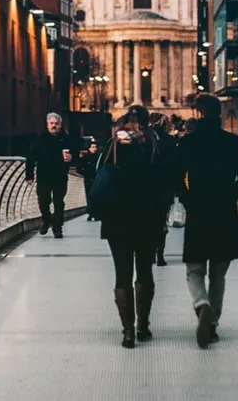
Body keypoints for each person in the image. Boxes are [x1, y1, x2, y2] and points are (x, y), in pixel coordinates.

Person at [174, 93, 238, 348]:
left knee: (194, 270)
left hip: (198, 212)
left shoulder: (188, 143)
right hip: (224, 212)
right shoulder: (232, 142)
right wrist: (232, 194)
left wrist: (188, 199)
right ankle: (212, 325)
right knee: (218, 274)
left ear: (198, 114)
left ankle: (201, 304)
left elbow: (177, 177)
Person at [97, 105, 171, 349]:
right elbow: (166, 182)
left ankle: (127, 331)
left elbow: (98, 176)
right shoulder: (154, 146)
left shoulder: (112, 146)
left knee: (122, 273)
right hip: (147, 218)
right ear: (146, 122)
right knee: (145, 270)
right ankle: (143, 325)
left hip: (117, 218)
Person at [25, 112, 76, 238]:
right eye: (51, 123)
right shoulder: (40, 139)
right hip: (44, 176)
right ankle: (46, 220)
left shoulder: (66, 139)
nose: (54, 126)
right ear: (47, 125)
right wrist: (29, 175)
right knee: (43, 201)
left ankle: (57, 228)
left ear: (60, 125)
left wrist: (71, 158)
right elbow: (31, 157)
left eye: (56, 123)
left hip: (60, 176)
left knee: (59, 203)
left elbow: (75, 154)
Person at [150, 113, 178, 266]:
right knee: (162, 220)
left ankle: (149, 252)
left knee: (148, 221)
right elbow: (175, 165)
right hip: (165, 188)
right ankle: (160, 254)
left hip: (147, 188)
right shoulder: (170, 141)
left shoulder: (145, 139)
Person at [78, 139, 100, 221]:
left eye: (95, 147)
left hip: (97, 179)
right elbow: (78, 168)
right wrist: (85, 173)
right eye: (92, 147)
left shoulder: (99, 158)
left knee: (96, 196)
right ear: (89, 148)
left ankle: (95, 213)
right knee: (89, 196)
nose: (94, 149)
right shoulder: (85, 158)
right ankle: (91, 213)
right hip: (88, 179)